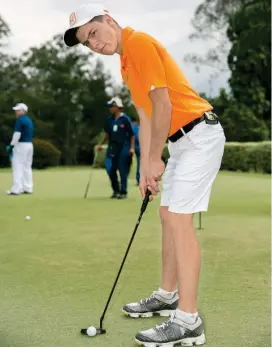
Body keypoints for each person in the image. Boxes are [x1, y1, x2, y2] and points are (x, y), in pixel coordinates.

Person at [64, 4, 226, 346]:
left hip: (199, 136)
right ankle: (168, 295)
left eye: (93, 33)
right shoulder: (125, 63)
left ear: (108, 20)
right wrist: (145, 169)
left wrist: (154, 158)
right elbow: (146, 114)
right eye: (85, 42)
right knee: (168, 215)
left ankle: (188, 321)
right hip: (182, 142)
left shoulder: (137, 43)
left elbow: (163, 104)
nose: (92, 44)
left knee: (179, 220)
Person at [97, 96, 135, 199]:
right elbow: (107, 134)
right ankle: (116, 190)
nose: (110, 108)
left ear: (117, 107)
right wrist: (101, 144)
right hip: (112, 147)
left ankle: (123, 192)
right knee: (110, 169)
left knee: (122, 169)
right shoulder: (110, 120)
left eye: (111, 106)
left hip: (124, 147)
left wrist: (131, 148)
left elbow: (132, 135)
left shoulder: (125, 119)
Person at [6, 103, 34, 195]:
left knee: (17, 166)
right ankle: (28, 187)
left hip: (21, 145)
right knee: (27, 166)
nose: (16, 112)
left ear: (23, 111)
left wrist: (11, 145)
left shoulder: (20, 120)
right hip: (29, 145)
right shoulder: (29, 120)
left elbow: (17, 134)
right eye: (16, 110)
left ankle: (16, 189)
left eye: (18, 110)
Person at [132, 118, 140, 186]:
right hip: (139, 147)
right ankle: (139, 179)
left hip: (134, 147)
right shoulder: (138, 127)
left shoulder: (132, 127)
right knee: (139, 163)